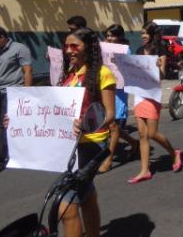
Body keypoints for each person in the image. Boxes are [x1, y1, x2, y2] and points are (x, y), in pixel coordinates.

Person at [58, 28, 116, 237]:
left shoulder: (103, 73)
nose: (69, 50)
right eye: (66, 46)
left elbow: (110, 114)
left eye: (74, 46)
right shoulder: (69, 74)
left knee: (67, 207)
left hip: (91, 143)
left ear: (89, 47)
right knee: (86, 196)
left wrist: (86, 123)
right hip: (69, 144)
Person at [129, 21, 183, 183]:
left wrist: (159, 66)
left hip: (152, 95)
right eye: (141, 33)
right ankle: (145, 170)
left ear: (152, 34)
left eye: (145, 33)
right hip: (139, 95)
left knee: (152, 133)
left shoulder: (160, 50)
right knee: (142, 134)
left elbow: (161, 75)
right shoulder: (139, 50)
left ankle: (174, 153)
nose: (142, 36)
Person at [0, 26, 32, 173]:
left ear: (3, 37)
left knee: (3, 125)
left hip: (13, 92)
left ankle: (0, 159)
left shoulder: (19, 48)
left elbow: (27, 70)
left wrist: (27, 93)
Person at [98, 24, 139, 173]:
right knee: (111, 124)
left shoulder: (125, 50)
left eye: (113, 35)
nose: (110, 38)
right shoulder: (102, 49)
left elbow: (130, 70)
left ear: (120, 36)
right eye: (108, 35)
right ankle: (134, 142)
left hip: (119, 90)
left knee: (114, 124)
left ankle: (108, 159)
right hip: (105, 88)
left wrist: (119, 63)